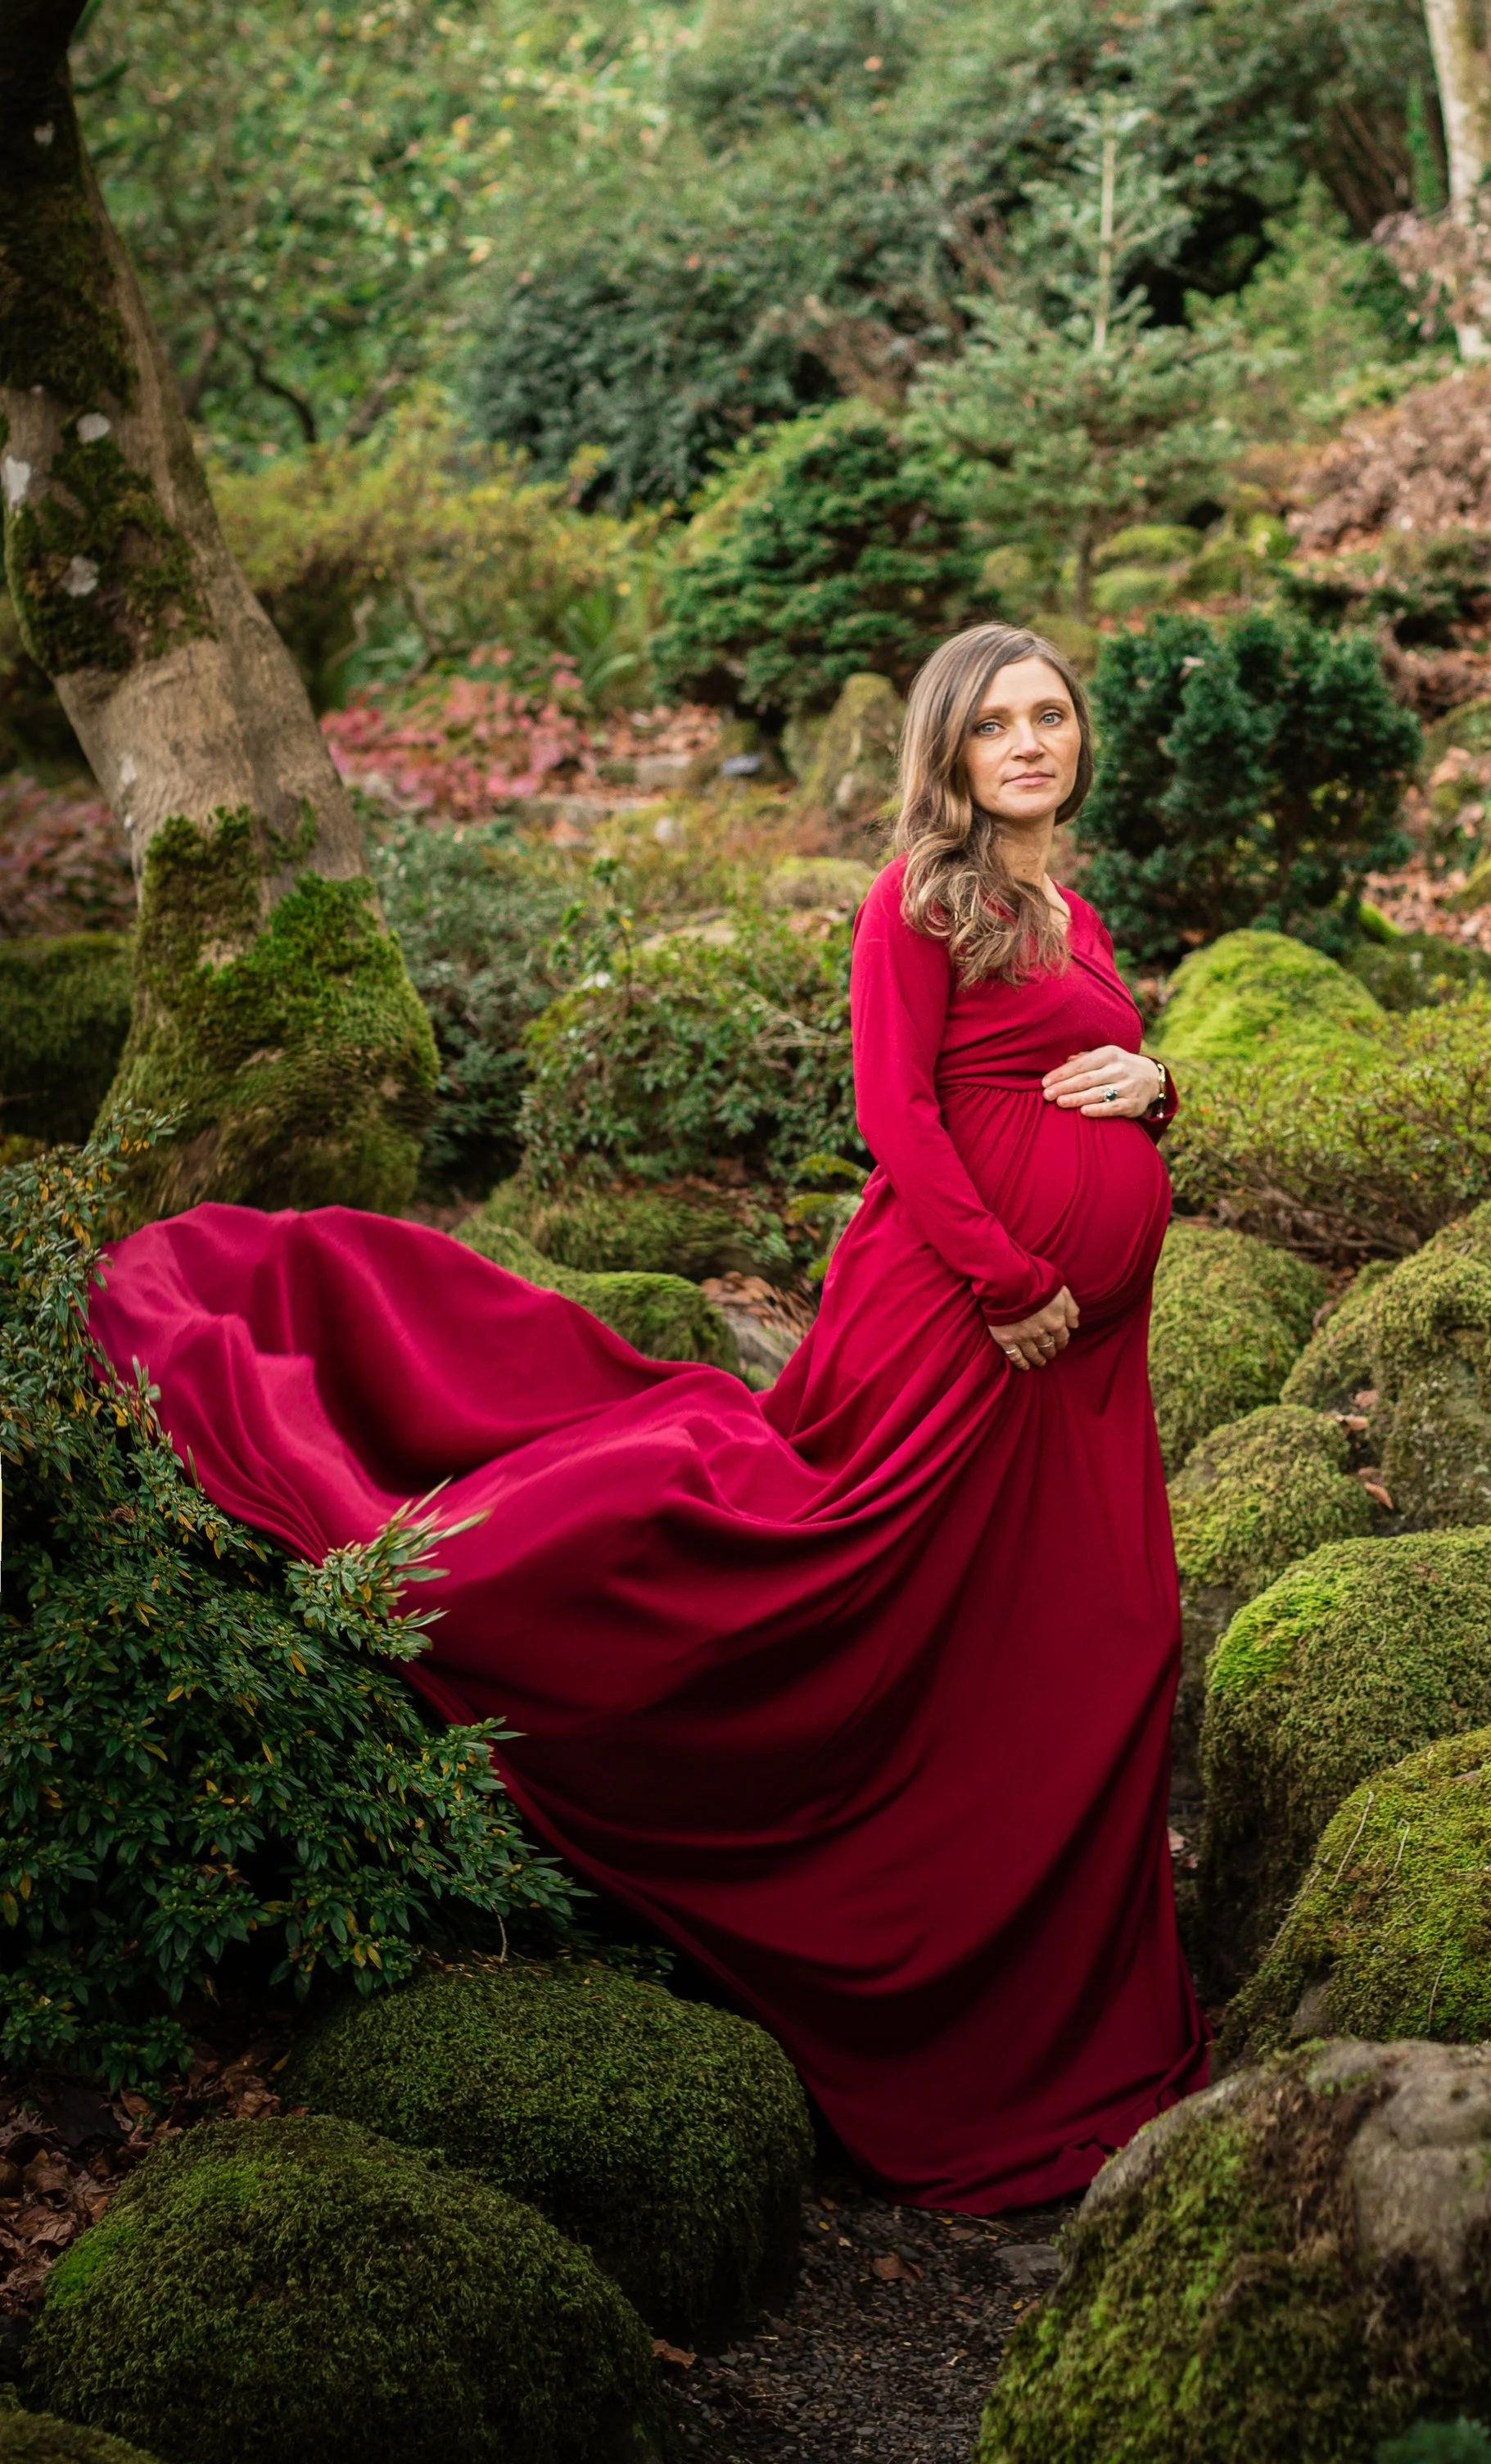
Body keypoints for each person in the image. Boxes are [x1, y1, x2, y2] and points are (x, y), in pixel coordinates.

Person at [88, 623, 1208, 2209]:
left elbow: (1078, 1070)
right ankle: (902, 1971)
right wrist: (1012, 1274)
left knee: (1094, 1631)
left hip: (1079, 1367)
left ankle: (1060, 2006)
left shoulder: (1069, 905)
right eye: (993, 726)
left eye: (1049, 717)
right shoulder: (914, 900)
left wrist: (1156, 1090)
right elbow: (893, 1111)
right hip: (974, 1324)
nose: (1028, 744)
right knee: (837, 1578)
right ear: (944, 755)